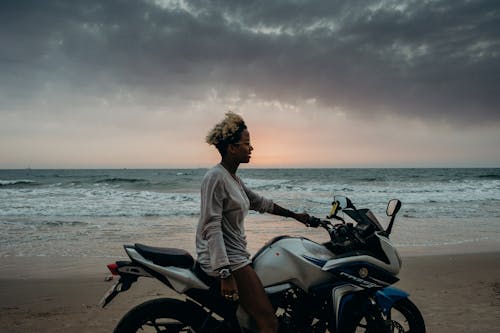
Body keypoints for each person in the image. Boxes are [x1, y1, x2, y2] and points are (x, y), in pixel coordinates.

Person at [195, 112, 311, 333]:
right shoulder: (215, 177)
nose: (251, 148)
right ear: (231, 148)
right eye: (247, 144)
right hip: (230, 261)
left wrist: (295, 215)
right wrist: (225, 273)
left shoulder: (232, 178)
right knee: (268, 321)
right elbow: (212, 225)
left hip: (235, 255)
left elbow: (259, 202)